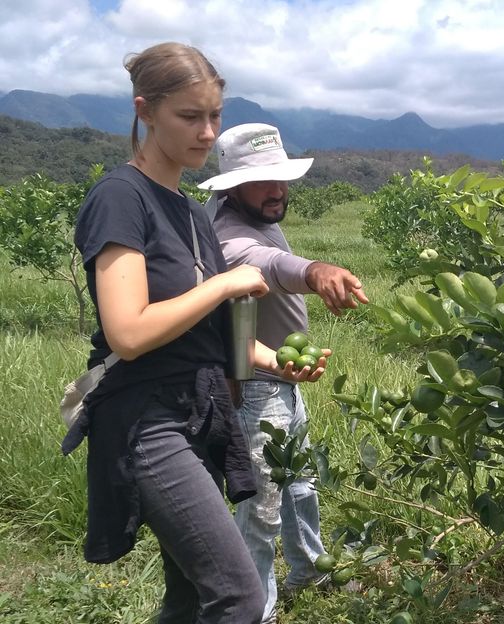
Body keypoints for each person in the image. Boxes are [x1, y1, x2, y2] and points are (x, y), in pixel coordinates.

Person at [62, 44, 329, 624]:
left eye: (214, 116)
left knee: (188, 598)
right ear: (146, 111)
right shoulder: (120, 198)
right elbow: (128, 332)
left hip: (199, 412)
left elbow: (218, 337)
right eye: (190, 116)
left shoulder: (188, 211)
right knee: (240, 596)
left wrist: (277, 363)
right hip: (145, 420)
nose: (207, 133)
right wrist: (227, 283)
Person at [199, 122, 369, 622]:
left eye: (282, 178)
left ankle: (310, 569)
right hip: (257, 391)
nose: (277, 190)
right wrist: (316, 271)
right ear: (232, 186)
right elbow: (271, 265)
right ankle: (257, 610)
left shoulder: (258, 213)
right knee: (262, 509)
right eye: (263, 180)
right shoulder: (231, 238)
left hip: (282, 380)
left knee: (299, 486)